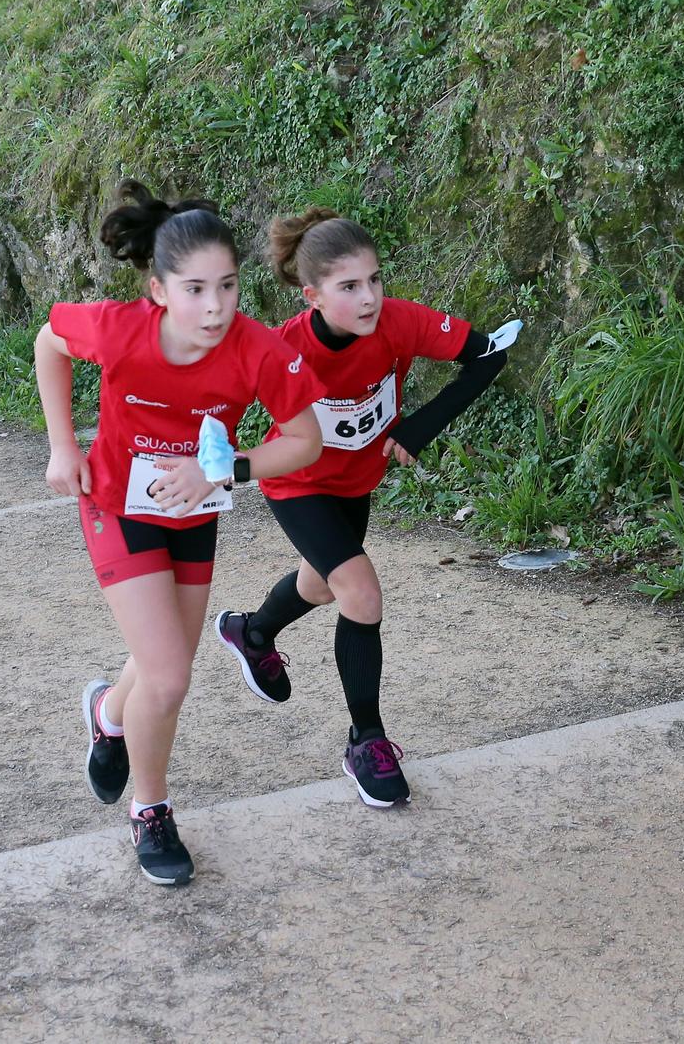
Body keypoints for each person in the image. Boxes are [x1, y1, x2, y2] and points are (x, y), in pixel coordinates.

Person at [34, 181, 327, 886]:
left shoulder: (257, 349)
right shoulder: (119, 329)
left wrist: (223, 472)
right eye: (195, 289)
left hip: (194, 513)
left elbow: (306, 440)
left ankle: (108, 715)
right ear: (159, 290)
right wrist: (62, 446)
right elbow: (50, 340)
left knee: (158, 662)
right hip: (115, 503)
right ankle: (151, 809)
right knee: (169, 675)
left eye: (227, 285)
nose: (216, 305)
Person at [211, 209, 511, 808]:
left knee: (323, 586)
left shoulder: (400, 322)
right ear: (313, 296)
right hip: (297, 484)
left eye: (375, 279)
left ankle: (253, 631)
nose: (370, 297)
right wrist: (210, 471)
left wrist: (421, 426)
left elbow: (489, 355)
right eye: (349, 287)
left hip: (356, 481)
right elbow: (216, 428)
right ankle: (365, 741)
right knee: (361, 592)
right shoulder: (283, 349)